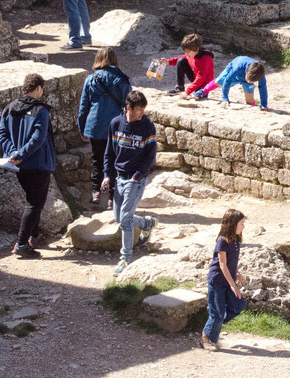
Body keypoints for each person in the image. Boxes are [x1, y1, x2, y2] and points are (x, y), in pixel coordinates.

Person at [0, 73, 57, 260]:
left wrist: (13, 153)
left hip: (20, 166)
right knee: (34, 203)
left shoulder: (9, 108)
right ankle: (21, 244)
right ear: (38, 88)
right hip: (38, 164)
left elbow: (1, 134)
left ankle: (34, 236)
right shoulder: (41, 111)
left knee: (33, 200)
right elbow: (38, 139)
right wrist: (20, 154)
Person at [102, 89, 157, 275]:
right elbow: (109, 152)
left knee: (125, 219)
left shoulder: (148, 127)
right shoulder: (115, 124)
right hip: (119, 178)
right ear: (129, 108)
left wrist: (137, 176)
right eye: (139, 109)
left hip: (136, 179)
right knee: (119, 218)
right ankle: (146, 224)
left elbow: (150, 157)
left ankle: (125, 258)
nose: (142, 113)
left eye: (143, 109)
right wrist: (106, 175)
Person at [77, 47, 131, 205]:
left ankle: (95, 192)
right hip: (115, 126)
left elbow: (83, 107)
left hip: (94, 125)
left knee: (97, 159)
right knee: (114, 161)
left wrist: (82, 128)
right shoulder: (121, 79)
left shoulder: (91, 79)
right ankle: (111, 197)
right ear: (114, 59)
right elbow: (129, 104)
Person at [201, 208, 247, 351]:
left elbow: (231, 262)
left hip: (229, 279)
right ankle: (206, 338)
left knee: (238, 306)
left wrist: (237, 273)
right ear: (232, 224)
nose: (243, 226)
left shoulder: (236, 240)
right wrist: (233, 285)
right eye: (241, 223)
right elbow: (222, 264)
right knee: (218, 314)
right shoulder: (222, 241)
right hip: (218, 282)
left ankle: (215, 322)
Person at [195, 57, 268, 110]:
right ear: (247, 71)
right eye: (249, 79)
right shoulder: (238, 67)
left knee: (250, 100)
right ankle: (203, 91)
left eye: (252, 82)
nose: (249, 82)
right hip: (232, 71)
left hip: (246, 75)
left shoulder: (259, 75)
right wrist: (225, 99)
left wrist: (264, 105)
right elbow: (227, 81)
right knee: (219, 81)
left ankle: (253, 110)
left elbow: (263, 88)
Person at [164, 33, 215, 97]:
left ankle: (202, 92)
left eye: (188, 51)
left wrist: (187, 92)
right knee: (181, 60)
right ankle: (180, 88)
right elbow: (181, 57)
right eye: (185, 51)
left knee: (198, 95)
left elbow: (201, 78)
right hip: (197, 79)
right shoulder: (193, 53)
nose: (186, 53)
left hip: (204, 85)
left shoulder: (206, 59)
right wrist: (168, 62)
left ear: (197, 49)